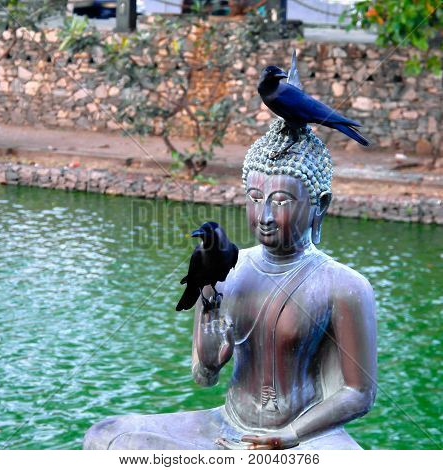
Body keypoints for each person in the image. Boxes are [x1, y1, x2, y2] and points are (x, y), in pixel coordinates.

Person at [83, 119, 376, 450]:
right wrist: (208, 359)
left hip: (304, 436)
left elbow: (359, 393)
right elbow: (203, 377)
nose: (264, 215)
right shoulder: (223, 269)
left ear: (320, 204)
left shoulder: (344, 285)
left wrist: (290, 434)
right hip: (227, 423)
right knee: (105, 436)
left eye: (280, 202)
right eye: (254, 198)